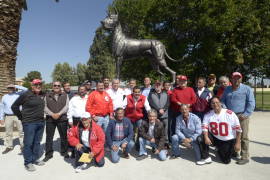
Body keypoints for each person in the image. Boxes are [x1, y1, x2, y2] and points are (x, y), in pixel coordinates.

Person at [221, 72, 255, 165]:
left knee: (244, 136)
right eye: (234, 78)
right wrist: (226, 110)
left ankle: (244, 156)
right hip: (230, 116)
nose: (236, 80)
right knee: (232, 135)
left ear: (241, 79)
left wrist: (246, 114)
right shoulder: (227, 89)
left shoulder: (247, 89)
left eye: (238, 78)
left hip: (242, 116)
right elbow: (222, 101)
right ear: (231, 79)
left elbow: (251, 103)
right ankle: (234, 152)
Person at [11, 79, 46, 171]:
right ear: (32, 86)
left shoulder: (43, 94)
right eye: (36, 84)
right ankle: (28, 162)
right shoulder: (26, 94)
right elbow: (14, 106)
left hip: (41, 122)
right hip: (29, 123)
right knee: (28, 143)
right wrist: (21, 117)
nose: (38, 86)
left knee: (37, 142)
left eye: (40, 84)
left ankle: (35, 159)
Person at [198, 96, 242, 165]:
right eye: (213, 103)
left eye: (217, 102)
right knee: (200, 138)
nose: (215, 104)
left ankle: (231, 149)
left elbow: (238, 130)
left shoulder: (230, 114)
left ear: (220, 103)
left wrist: (238, 143)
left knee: (226, 161)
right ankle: (206, 157)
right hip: (216, 138)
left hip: (227, 139)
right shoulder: (208, 114)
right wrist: (206, 137)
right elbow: (205, 127)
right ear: (210, 105)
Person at [43, 81, 69, 162]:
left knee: (63, 136)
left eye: (58, 85)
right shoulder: (47, 95)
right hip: (50, 119)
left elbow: (67, 106)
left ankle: (64, 152)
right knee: (49, 137)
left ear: (60, 86)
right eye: (55, 85)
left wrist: (59, 113)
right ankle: (48, 154)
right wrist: (52, 114)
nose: (56, 86)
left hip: (62, 119)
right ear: (52, 86)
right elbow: (44, 106)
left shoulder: (65, 95)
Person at [0, 84, 27, 154]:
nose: (10, 89)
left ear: (14, 88)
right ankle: (9, 146)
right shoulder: (4, 97)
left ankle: (23, 145)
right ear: (7, 89)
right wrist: (1, 118)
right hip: (8, 116)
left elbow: (26, 89)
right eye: (9, 88)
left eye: (12, 88)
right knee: (8, 132)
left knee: (21, 131)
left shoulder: (18, 94)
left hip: (18, 115)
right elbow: (2, 108)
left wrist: (15, 85)